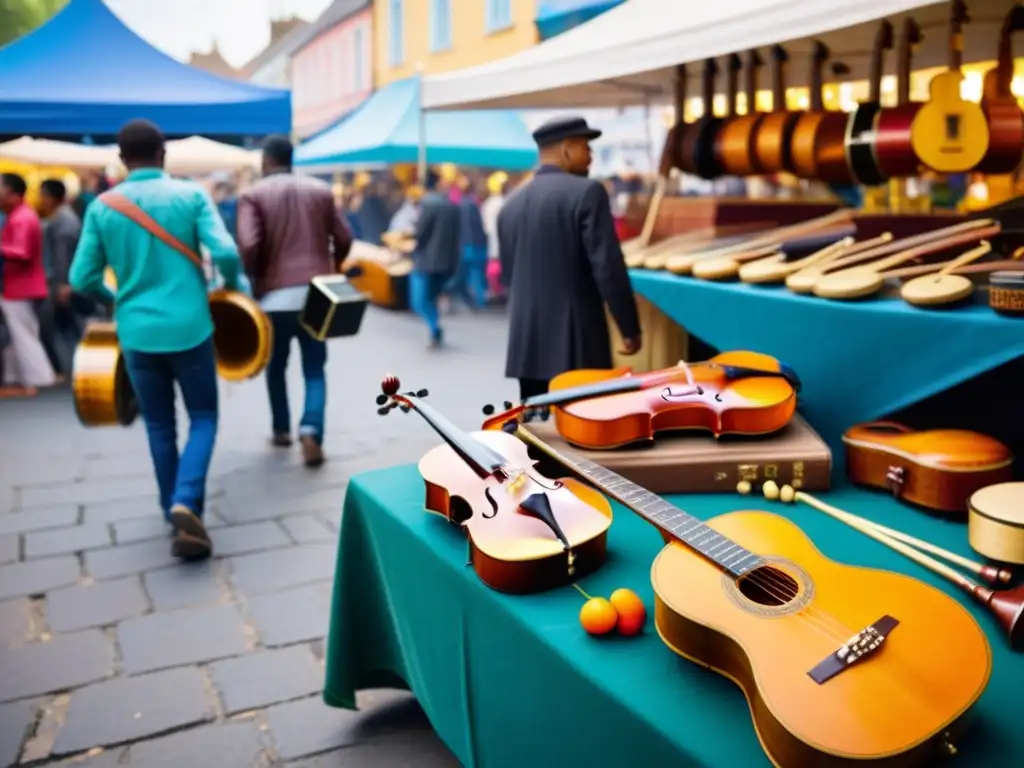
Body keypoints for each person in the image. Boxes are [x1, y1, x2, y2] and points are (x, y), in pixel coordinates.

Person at [69, 119, 242, 561]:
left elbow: (80, 277)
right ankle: (188, 499)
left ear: (122, 160)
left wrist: (117, 299)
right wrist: (230, 284)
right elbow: (224, 251)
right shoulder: (190, 195)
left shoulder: (102, 206)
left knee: (160, 424)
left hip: (137, 333)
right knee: (203, 416)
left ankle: (173, 511)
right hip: (190, 327)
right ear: (164, 155)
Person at [498, 116, 642, 402]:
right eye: (586, 147)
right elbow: (607, 266)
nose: (590, 156)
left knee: (535, 428)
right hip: (577, 341)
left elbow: (507, 277)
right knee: (581, 424)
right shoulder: (587, 193)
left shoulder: (510, 204)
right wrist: (629, 327)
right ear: (566, 149)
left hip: (526, 344)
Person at [236, 135, 353, 467]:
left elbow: (248, 244)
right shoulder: (320, 191)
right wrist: (334, 268)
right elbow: (344, 238)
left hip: (274, 297)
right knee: (315, 368)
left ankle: (281, 428)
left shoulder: (253, 195)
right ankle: (312, 429)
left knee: (276, 366)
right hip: (317, 294)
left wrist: (257, 277)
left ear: (265, 161)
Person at [0, 173, 57, 396]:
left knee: (23, 334)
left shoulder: (21, 217)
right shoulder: (21, 215)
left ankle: (37, 377)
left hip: (20, 285)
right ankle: (18, 378)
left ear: (13, 193)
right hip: (22, 285)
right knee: (20, 332)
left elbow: (22, 252)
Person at [37, 179, 84, 375]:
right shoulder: (65, 217)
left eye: (42, 195)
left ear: (50, 197)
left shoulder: (62, 220)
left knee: (68, 327)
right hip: (66, 281)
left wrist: (62, 284)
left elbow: (61, 256)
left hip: (63, 282)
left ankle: (74, 367)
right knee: (68, 326)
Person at [410, 169, 461, 348]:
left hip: (426, 261)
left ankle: (434, 327)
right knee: (432, 298)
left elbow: (420, 234)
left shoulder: (427, 204)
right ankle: (434, 328)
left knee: (419, 301)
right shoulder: (452, 205)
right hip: (447, 261)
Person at [448, 176, 488, 310]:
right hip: (475, 245)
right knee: (475, 274)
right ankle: (478, 301)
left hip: (464, 244)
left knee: (464, 275)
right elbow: (477, 226)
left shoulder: (459, 204)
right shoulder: (472, 204)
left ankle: (469, 299)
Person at [481, 172, 507, 302]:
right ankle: (498, 292)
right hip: (500, 242)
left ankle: (496, 291)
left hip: (494, 242)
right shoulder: (501, 202)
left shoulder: (489, 203)